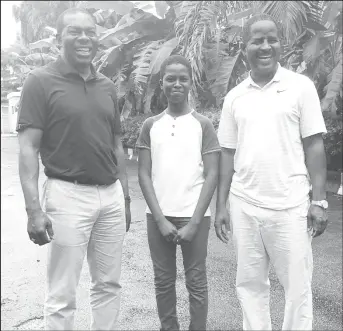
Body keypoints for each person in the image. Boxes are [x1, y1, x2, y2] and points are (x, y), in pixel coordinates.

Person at [17, 8, 131, 331]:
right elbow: (28, 150)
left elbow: (117, 145)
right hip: (67, 195)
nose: (84, 38)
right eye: (74, 31)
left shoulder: (107, 86)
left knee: (109, 284)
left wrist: (123, 198)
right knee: (62, 293)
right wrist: (33, 210)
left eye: (90, 32)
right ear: (58, 38)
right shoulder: (40, 82)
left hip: (109, 197)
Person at [215, 13, 328, 331]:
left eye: (271, 39)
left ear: (281, 44)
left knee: (297, 289)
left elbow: (314, 146)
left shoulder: (300, 88)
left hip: (290, 205)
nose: (264, 46)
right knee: (249, 286)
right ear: (245, 45)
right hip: (245, 205)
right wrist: (220, 205)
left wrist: (319, 201)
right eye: (256, 40)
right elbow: (227, 152)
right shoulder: (235, 97)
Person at [137, 55, 221, 331]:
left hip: (194, 216)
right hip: (158, 216)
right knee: (163, 281)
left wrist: (195, 221)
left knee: (196, 282)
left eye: (182, 78)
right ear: (161, 83)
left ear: (190, 83)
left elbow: (212, 174)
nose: (177, 84)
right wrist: (160, 219)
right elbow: (144, 174)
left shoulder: (203, 125)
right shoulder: (151, 125)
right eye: (170, 79)